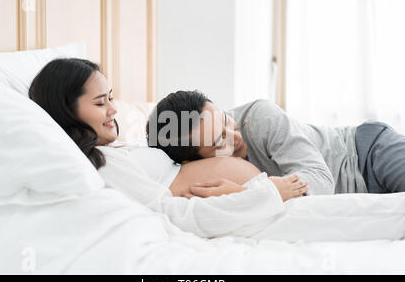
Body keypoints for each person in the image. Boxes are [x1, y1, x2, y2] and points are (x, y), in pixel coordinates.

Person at [28, 58, 307, 238]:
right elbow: (175, 215)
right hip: (259, 209)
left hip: (265, 201)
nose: (114, 109)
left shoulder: (115, 149)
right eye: (100, 103)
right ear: (67, 111)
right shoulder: (99, 164)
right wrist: (259, 195)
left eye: (111, 98)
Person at [147, 90, 405, 195]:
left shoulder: (258, 117)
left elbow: (320, 180)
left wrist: (252, 194)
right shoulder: (201, 175)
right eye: (218, 142)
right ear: (195, 162)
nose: (234, 136)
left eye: (226, 120)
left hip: (367, 152)